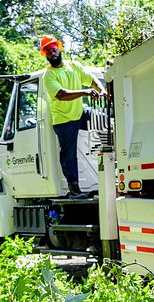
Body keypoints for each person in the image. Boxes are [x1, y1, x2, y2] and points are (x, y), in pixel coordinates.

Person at [39, 34, 105, 199]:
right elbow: (61, 94)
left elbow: (91, 79)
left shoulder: (74, 66)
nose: (51, 53)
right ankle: (74, 190)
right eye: (47, 51)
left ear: (59, 48)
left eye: (53, 49)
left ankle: (113, 159)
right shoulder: (48, 75)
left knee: (104, 120)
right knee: (68, 156)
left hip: (80, 113)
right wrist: (85, 92)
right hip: (63, 120)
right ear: (45, 55)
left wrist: (101, 90)